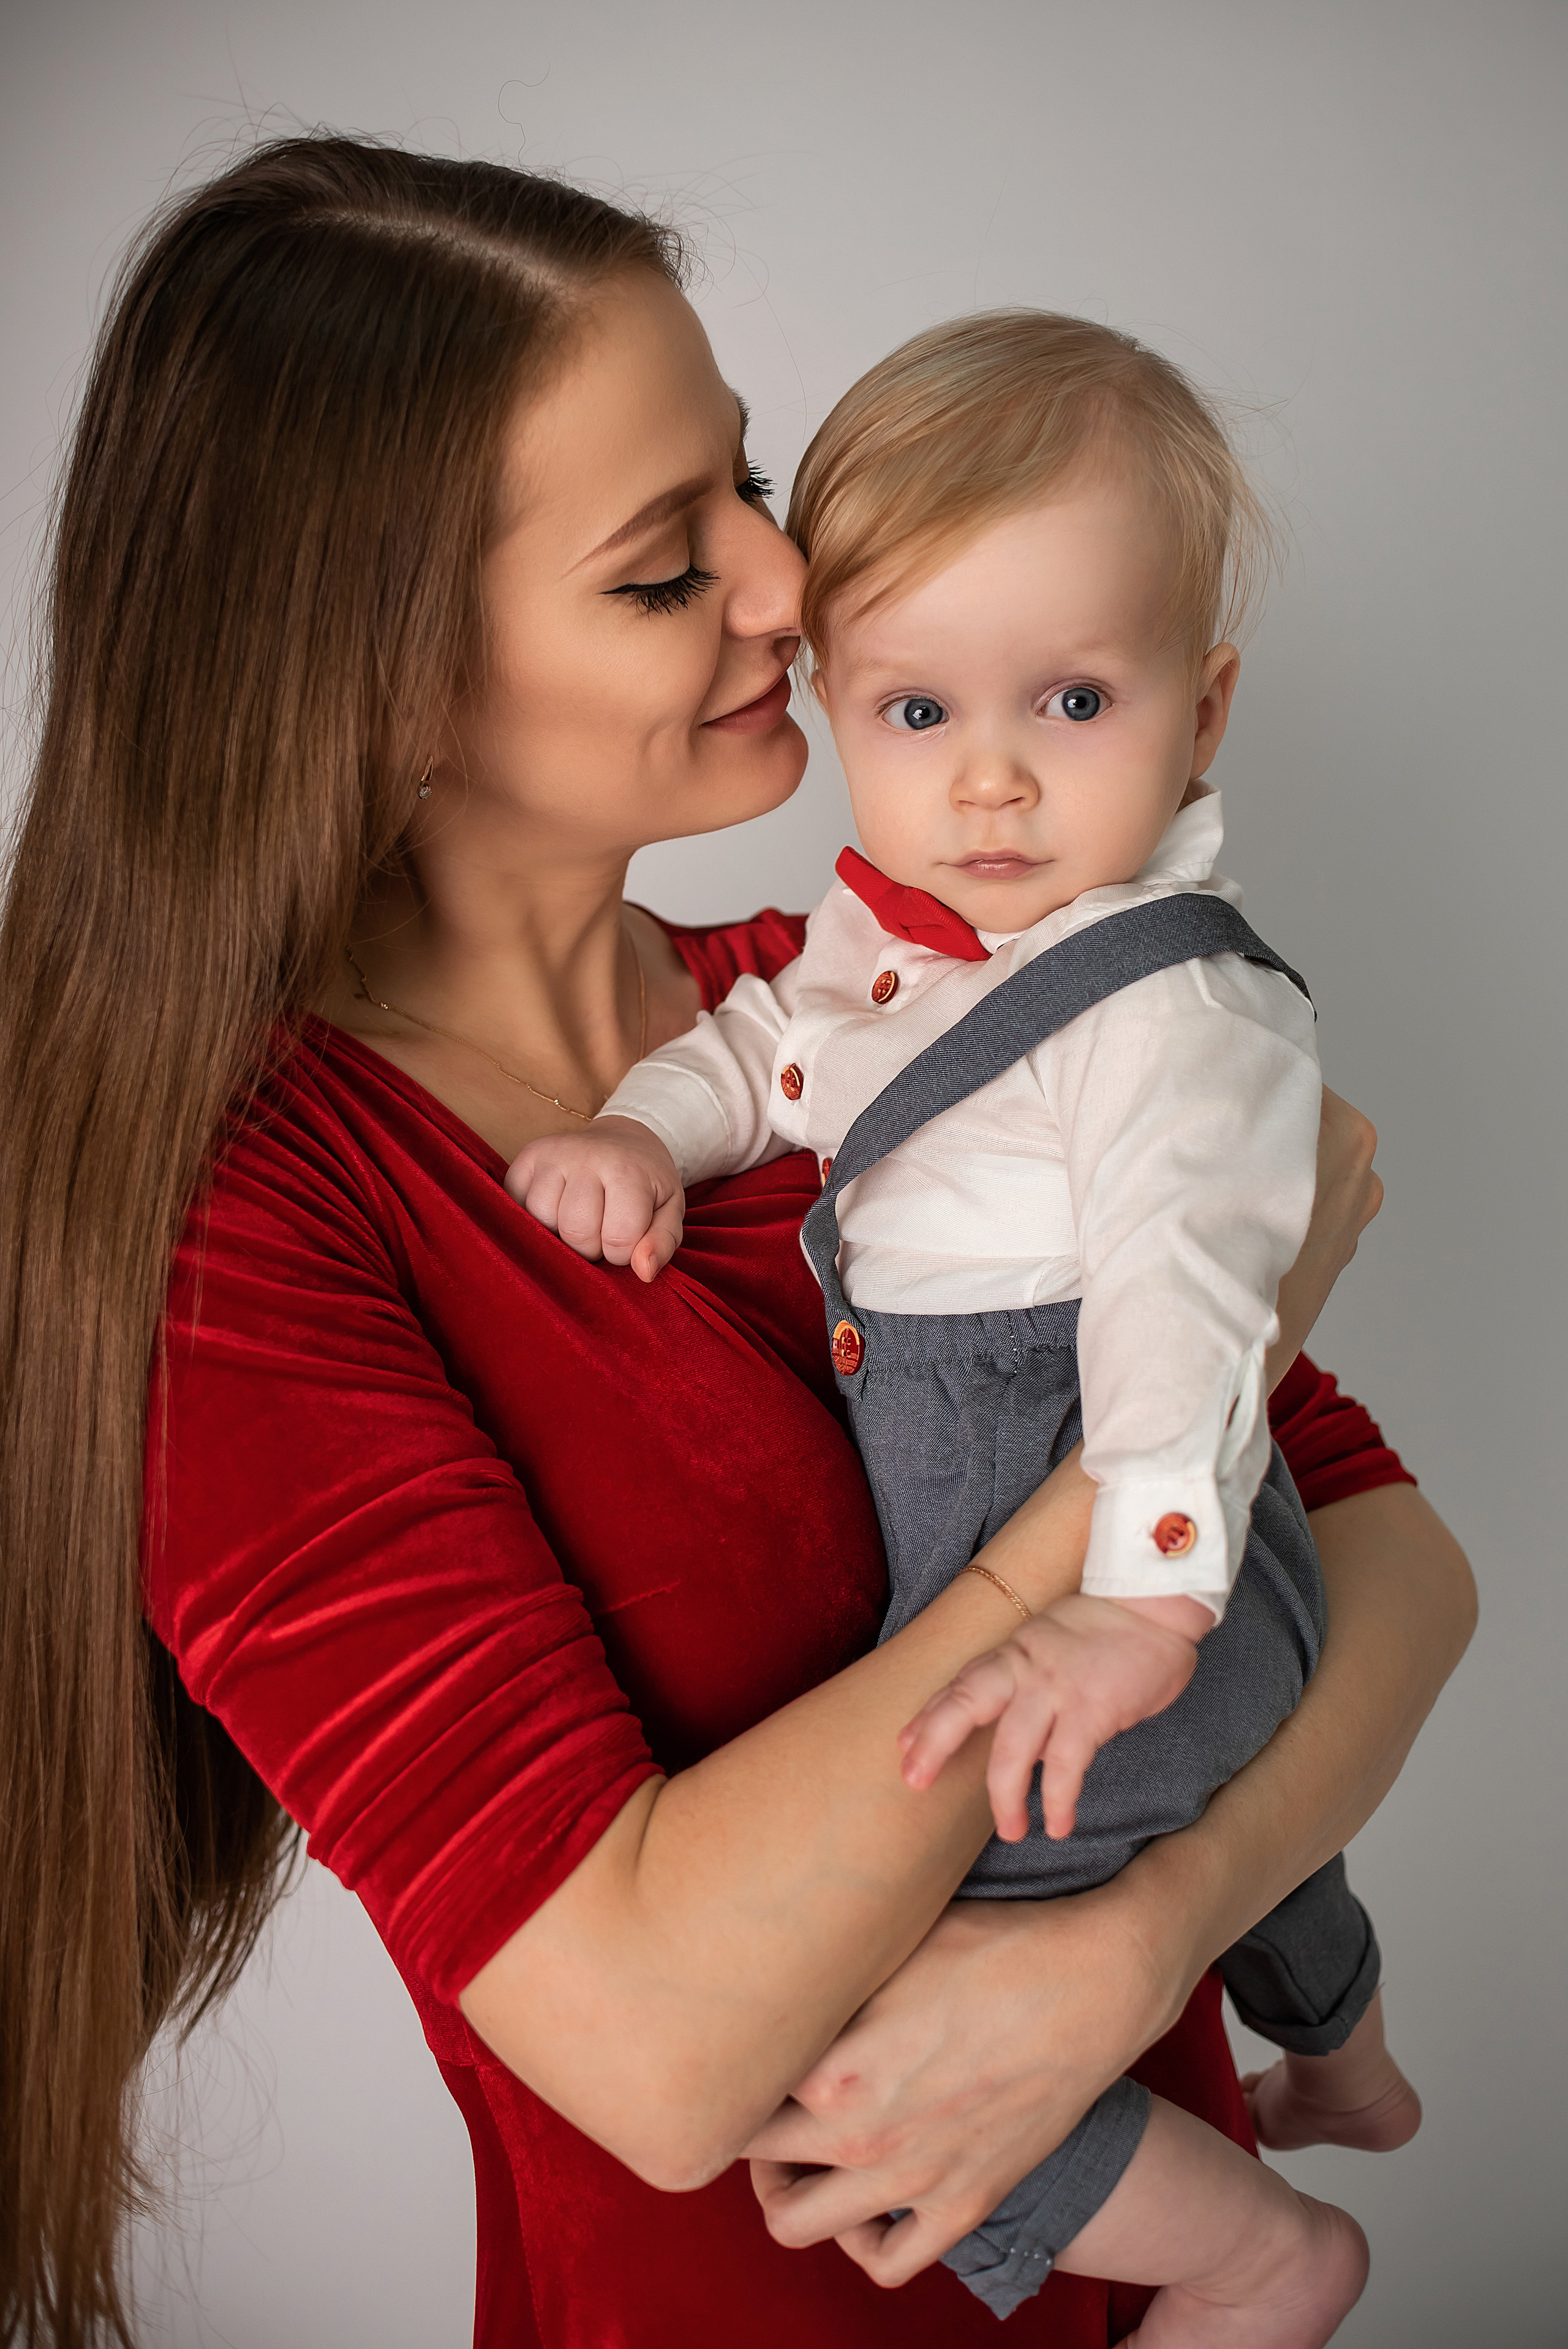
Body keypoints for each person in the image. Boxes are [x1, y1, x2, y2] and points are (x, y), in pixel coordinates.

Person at [0, 135, 1474, 2349]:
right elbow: (664, 2047)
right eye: (658, 563)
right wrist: (1208, 1372)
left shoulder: (876, 999)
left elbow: (1396, 1575)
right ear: (378, 673)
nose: (793, 583)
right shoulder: (252, 1231)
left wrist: (1141, 1938)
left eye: (751, 485)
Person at [504, 311, 1420, 2336]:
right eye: (917, 712)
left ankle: (1263, 2252)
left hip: (1121, 1534)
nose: (990, 779)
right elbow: (766, 1059)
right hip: (1078, 1525)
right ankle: (1344, 2056)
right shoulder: (891, 950)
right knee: (1155, 1813)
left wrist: (1139, 1590)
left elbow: (1194, 1299)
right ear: (838, 702)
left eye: (1074, 698)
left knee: (874, 2005)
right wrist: (647, 1140)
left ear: (1206, 713)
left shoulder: (1170, 1004)